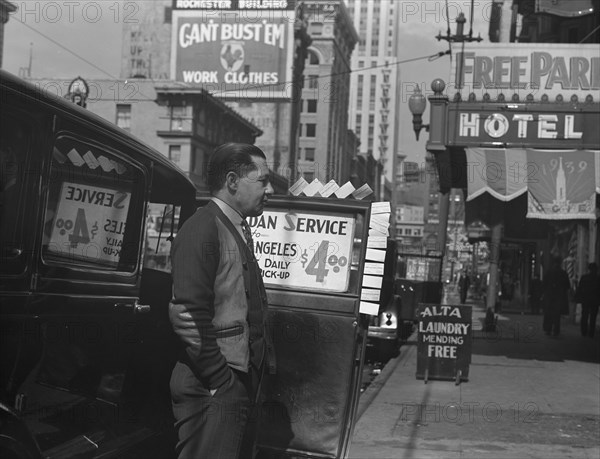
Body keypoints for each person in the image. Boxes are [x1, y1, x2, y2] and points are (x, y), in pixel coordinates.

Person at [168, 143, 276, 459]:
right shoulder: (203, 228)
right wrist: (220, 381)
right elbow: (189, 313)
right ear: (232, 181)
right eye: (262, 181)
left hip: (232, 382)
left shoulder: (234, 226)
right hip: (211, 387)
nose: (269, 190)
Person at [542, 257, 571, 337]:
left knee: (548, 313)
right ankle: (556, 330)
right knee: (557, 314)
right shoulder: (563, 273)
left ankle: (548, 329)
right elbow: (567, 286)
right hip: (559, 296)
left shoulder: (549, 272)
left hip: (549, 296)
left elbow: (544, 284)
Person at [575, 263, 600, 338]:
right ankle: (591, 332)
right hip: (595, 300)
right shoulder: (598, 279)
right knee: (593, 317)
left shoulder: (584, 277)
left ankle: (584, 331)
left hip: (585, 299)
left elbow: (580, 288)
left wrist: (578, 297)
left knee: (585, 315)